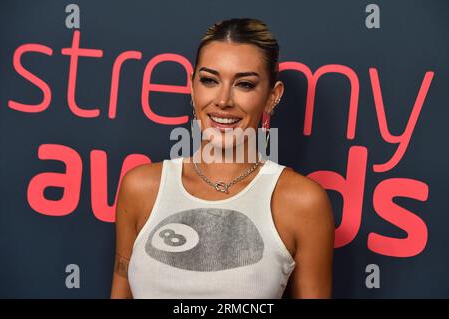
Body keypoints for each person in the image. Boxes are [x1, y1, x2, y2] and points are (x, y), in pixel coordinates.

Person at [110, 18, 334, 299]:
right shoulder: (140, 187)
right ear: (191, 87)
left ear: (272, 97)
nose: (224, 100)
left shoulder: (302, 202)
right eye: (209, 80)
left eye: (245, 84)